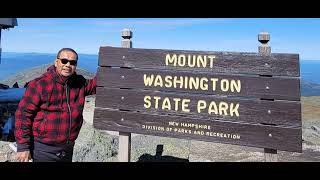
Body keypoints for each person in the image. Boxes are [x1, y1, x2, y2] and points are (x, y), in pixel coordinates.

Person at [15, 48, 96, 162]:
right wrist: (23, 147)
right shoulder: (40, 84)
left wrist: (108, 63)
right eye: (64, 61)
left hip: (67, 148)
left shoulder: (79, 83)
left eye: (72, 62)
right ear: (56, 62)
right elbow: (23, 115)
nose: (68, 65)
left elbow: (97, 84)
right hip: (43, 149)